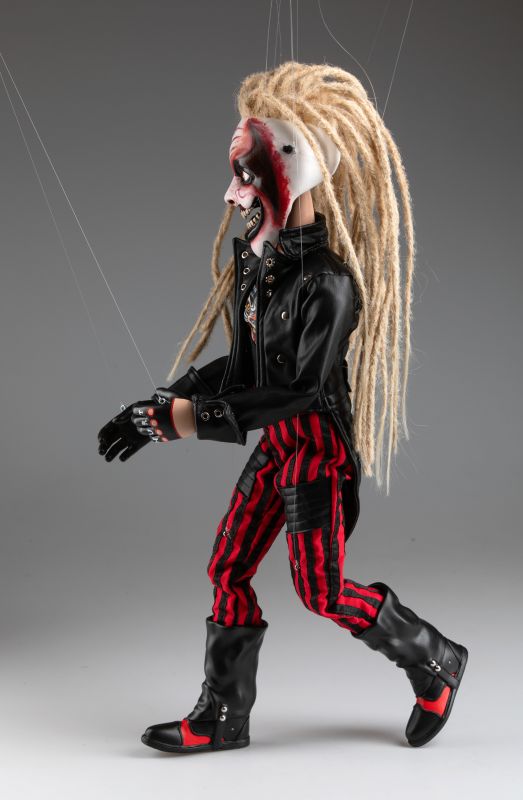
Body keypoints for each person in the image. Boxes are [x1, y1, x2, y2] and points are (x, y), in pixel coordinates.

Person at [98, 62, 467, 753]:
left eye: (247, 174)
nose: (232, 193)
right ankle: (223, 715)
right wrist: (163, 404)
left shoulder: (329, 284)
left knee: (320, 590)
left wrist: (187, 422)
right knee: (227, 568)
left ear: (290, 173)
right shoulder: (258, 270)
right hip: (277, 446)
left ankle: (433, 657)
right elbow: (243, 369)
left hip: (316, 455)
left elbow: (297, 387)